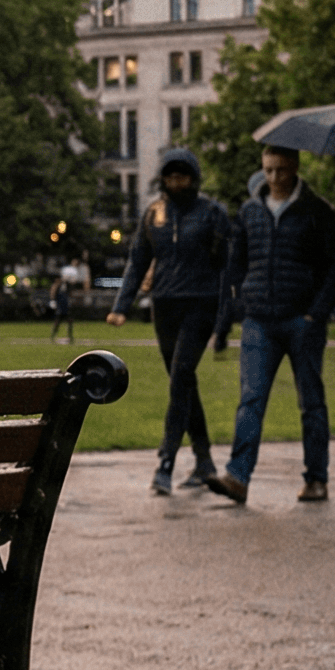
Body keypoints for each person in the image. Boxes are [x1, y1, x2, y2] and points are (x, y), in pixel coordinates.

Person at [206, 147, 335, 505]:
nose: (274, 177)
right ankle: (237, 477)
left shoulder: (317, 211)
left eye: (281, 169)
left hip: (301, 319)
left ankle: (316, 479)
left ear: (295, 166)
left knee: (311, 403)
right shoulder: (250, 211)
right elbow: (235, 268)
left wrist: (317, 314)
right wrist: (227, 320)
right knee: (250, 400)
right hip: (259, 321)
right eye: (268, 170)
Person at [107, 148, 235, 496]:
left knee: (180, 377)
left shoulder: (212, 213)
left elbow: (227, 268)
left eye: (183, 176)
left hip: (201, 304)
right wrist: (122, 305)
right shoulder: (154, 214)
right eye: (170, 176)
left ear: (193, 178)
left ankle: (165, 462)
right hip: (164, 305)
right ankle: (205, 461)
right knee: (184, 383)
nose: (176, 182)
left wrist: (224, 320)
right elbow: (138, 259)